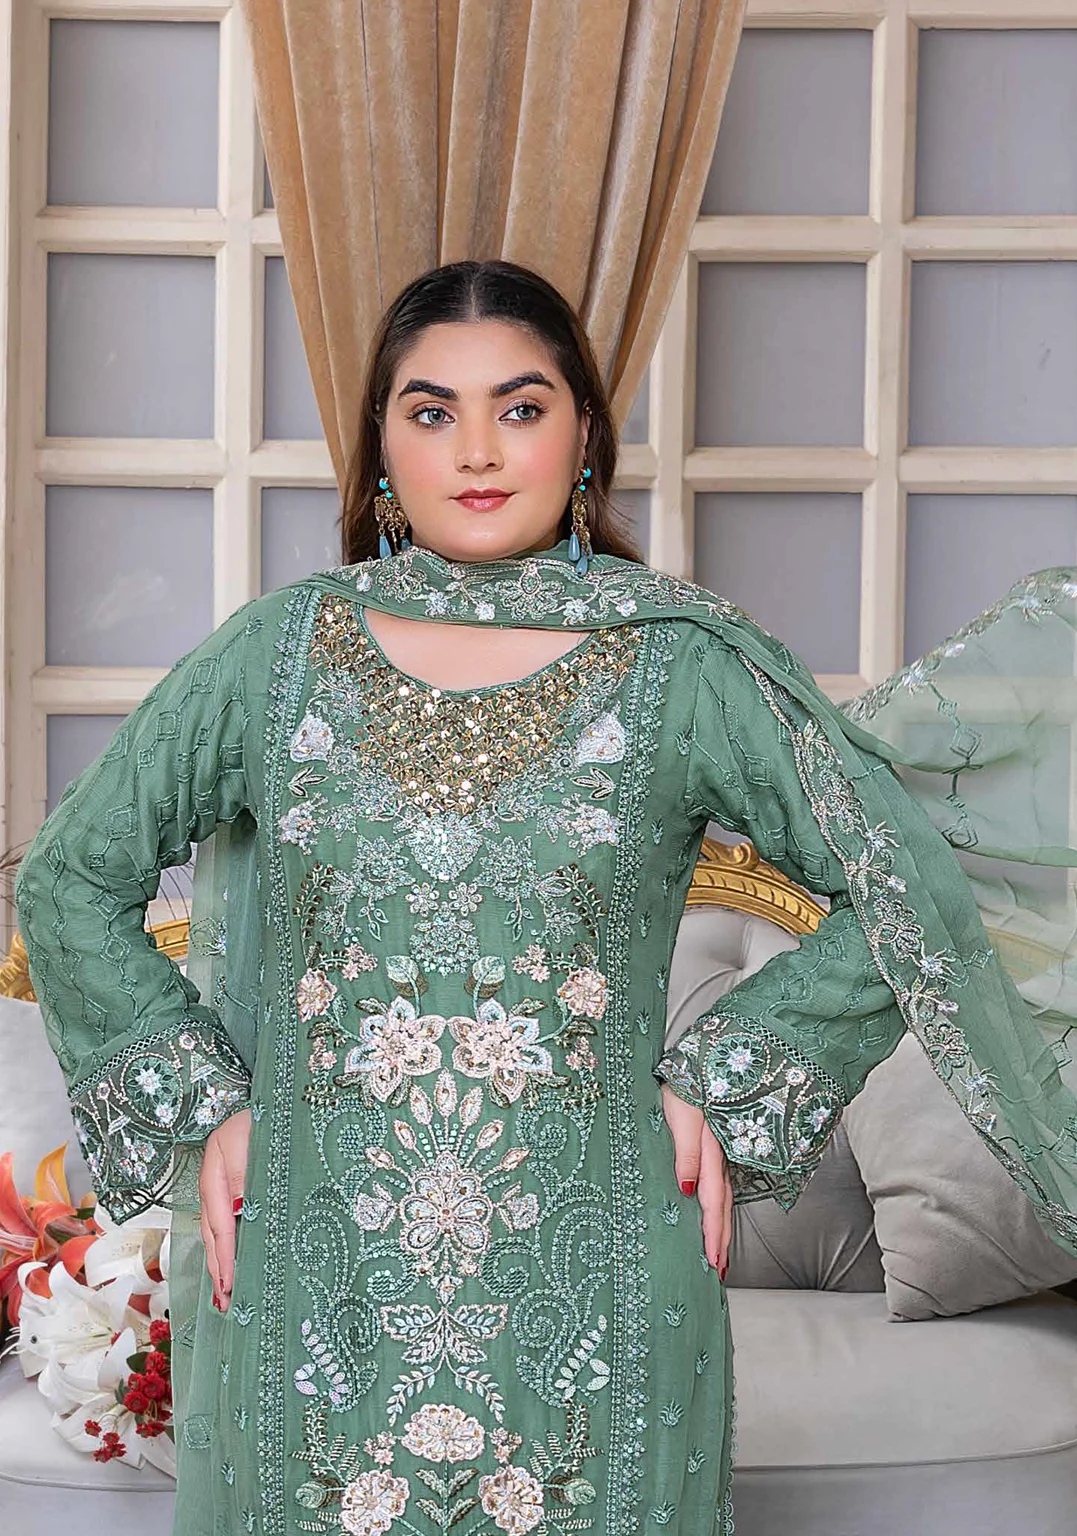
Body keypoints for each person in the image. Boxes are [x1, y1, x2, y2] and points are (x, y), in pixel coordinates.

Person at [15, 258, 1077, 1536]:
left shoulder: (677, 662)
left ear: (583, 436)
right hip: (311, 1266)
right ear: (381, 446)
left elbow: (896, 888)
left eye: (520, 407)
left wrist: (724, 1083)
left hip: (600, 1267)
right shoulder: (277, 656)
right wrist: (212, 1110)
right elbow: (71, 882)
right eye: (431, 411)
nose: (477, 449)